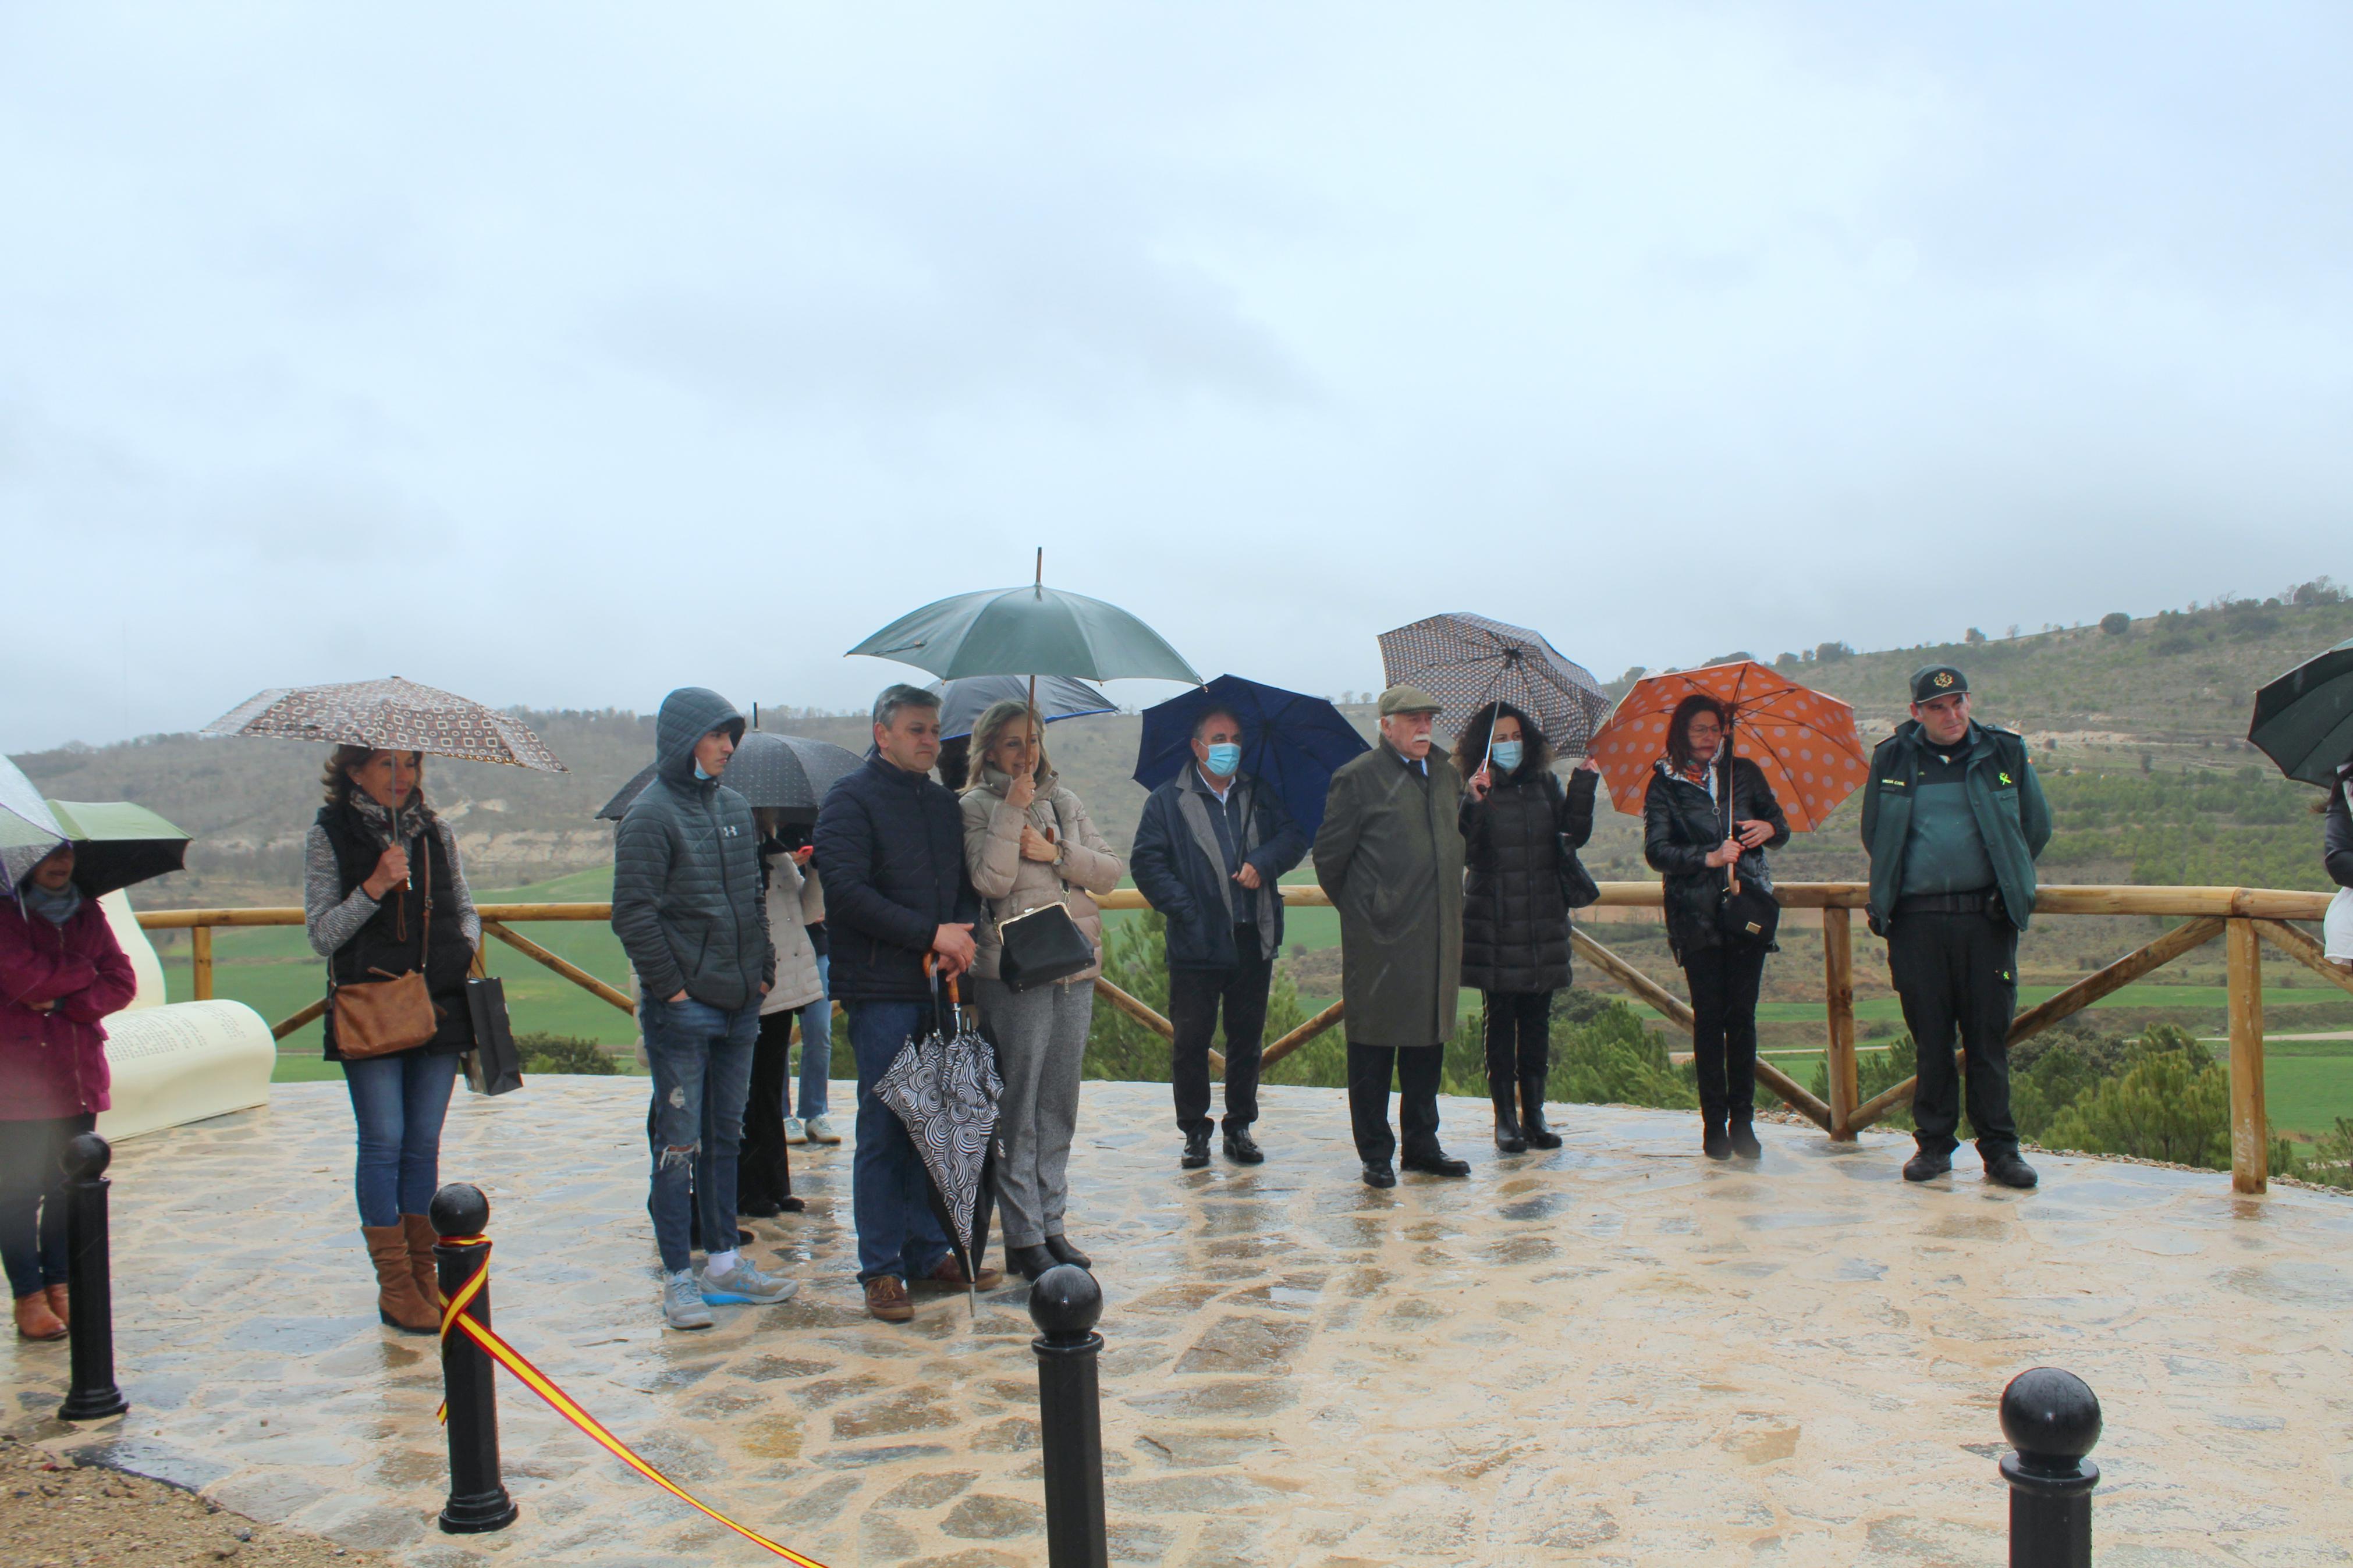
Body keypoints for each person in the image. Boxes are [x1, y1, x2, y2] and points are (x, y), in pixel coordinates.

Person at [814, 684, 1003, 1323]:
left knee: (936, 1125)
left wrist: (956, 936)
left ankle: (928, 1251)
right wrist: (928, 935)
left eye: (934, 730)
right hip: (880, 991)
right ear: (882, 733)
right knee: (886, 1128)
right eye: (917, 730)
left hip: (935, 988)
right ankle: (882, 1268)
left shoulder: (939, 803)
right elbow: (845, 892)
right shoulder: (849, 800)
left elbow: (956, 886)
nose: (929, 741)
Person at [612, 688, 796, 1331]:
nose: (728, 748)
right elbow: (632, 914)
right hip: (685, 1013)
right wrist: (672, 989)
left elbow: (751, 897)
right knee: (678, 1147)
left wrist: (764, 971)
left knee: (726, 1138)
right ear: (685, 737)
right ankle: (678, 1279)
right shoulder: (648, 816)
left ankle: (724, 1264)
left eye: (732, 738)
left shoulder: (737, 809)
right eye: (719, 736)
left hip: (741, 1005)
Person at [306, 745, 482, 1334]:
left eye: (411, 763)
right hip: (373, 1009)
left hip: (440, 1004)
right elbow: (323, 933)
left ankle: (423, 1271)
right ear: (354, 771)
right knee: (384, 1140)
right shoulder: (330, 834)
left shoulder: (437, 830)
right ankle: (394, 1283)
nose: (403, 775)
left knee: (422, 1143)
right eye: (388, 764)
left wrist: (461, 940)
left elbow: (466, 906)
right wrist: (375, 885)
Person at [1860, 665, 2050, 1189]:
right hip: (1916, 920)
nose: (1952, 714)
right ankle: (1934, 1146)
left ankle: (2001, 1151)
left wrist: (2006, 878)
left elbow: (2035, 825)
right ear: (1916, 712)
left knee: (1988, 1038)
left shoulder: (2003, 752)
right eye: (1938, 707)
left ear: (1969, 701)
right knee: (1931, 1038)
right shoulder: (1892, 757)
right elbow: (1875, 832)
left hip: (1984, 918)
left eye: (1958, 702)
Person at [959, 700, 1124, 1281]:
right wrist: (1012, 814)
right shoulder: (975, 807)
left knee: (1059, 1103)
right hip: (1014, 974)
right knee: (1018, 1106)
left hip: (1072, 969)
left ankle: (1052, 1222)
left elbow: (1108, 872)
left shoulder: (1067, 801)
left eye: (1031, 740)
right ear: (987, 750)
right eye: (1010, 743)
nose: (1024, 752)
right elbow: (989, 880)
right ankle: (1023, 1234)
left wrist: (1054, 851)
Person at [1314, 685, 1482, 1188]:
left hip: (1437, 940)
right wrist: (1370, 914)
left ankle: (1422, 1147)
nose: (1423, 726)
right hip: (1379, 943)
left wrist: (1476, 801)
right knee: (1372, 1048)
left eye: (1428, 717)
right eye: (1411, 719)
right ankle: (1375, 1153)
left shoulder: (1447, 776)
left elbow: (1456, 842)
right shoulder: (1357, 778)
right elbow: (1329, 860)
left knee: (1426, 1046)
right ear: (1386, 725)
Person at [1130, 706, 1307, 1169]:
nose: (1229, 746)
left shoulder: (1259, 794)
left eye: (1235, 738)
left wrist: (1262, 862)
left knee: (1246, 1040)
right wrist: (1188, 911)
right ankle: (1194, 1132)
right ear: (1197, 746)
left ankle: (1239, 1127)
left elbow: (1293, 837)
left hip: (1253, 937)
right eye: (1218, 737)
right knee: (1191, 1041)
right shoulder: (1167, 801)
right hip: (1197, 943)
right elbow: (1147, 864)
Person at [1644, 696, 1790, 1162]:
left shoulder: (1743, 773)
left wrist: (1767, 828)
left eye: (1716, 729)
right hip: (1694, 914)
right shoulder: (1663, 784)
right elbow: (1656, 851)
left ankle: (1743, 1121)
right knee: (1709, 1020)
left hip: (1745, 909)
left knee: (1742, 1019)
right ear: (1680, 733)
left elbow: (1781, 825)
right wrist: (1707, 857)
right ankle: (1713, 1124)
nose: (1709, 738)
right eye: (1699, 730)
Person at [1, 845, 136, 1342]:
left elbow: (122, 981)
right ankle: (28, 1295)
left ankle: (60, 1285)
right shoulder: (5, 912)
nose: (60, 863)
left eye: (66, 853)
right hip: (16, 1079)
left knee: (68, 1190)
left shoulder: (87, 910)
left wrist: (61, 997)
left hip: (76, 1072)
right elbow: (21, 977)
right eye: (48, 854)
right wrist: (83, 971)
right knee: (17, 1192)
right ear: (21, 859)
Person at [1457, 701, 1599, 1152]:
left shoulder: (1545, 784)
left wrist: (1585, 781)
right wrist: (1472, 801)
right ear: (1483, 744)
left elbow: (1571, 835)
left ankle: (1534, 1115)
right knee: (1500, 1024)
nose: (1509, 745)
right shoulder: (1475, 788)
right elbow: (1465, 850)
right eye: (1499, 737)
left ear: (1530, 740)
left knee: (1537, 1026)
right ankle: (1504, 1119)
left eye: (1516, 736)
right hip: (1494, 925)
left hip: (1542, 923)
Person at [737, 808, 826, 1218]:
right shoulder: (741, 855)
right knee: (750, 1094)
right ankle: (749, 1190)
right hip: (754, 986)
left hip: (783, 986)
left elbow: (808, 912)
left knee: (770, 1091)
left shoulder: (776, 854)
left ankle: (775, 1185)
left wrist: (819, 868)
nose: (769, 818)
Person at [773, 821, 839, 1146]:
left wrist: (814, 867)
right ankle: (782, 1114)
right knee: (778, 1037)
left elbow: (815, 910)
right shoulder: (768, 848)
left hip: (816, 949)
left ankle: (815, 1111)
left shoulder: (815, 822)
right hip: (780, 954)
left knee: (820, 1033)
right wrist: (784, 861)